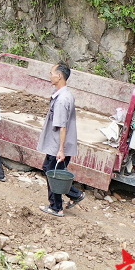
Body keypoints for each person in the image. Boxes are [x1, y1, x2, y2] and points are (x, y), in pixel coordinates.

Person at [39, 63, 85, 217]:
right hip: (58, 143)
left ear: (59, 76)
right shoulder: (64, 94)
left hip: (57, 144)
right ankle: (73, 195)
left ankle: (57, 206)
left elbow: (62, 127)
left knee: (53, 173)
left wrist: (61, 150)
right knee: (52, 170)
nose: (49, 75)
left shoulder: (61, 100)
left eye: (51, 72)